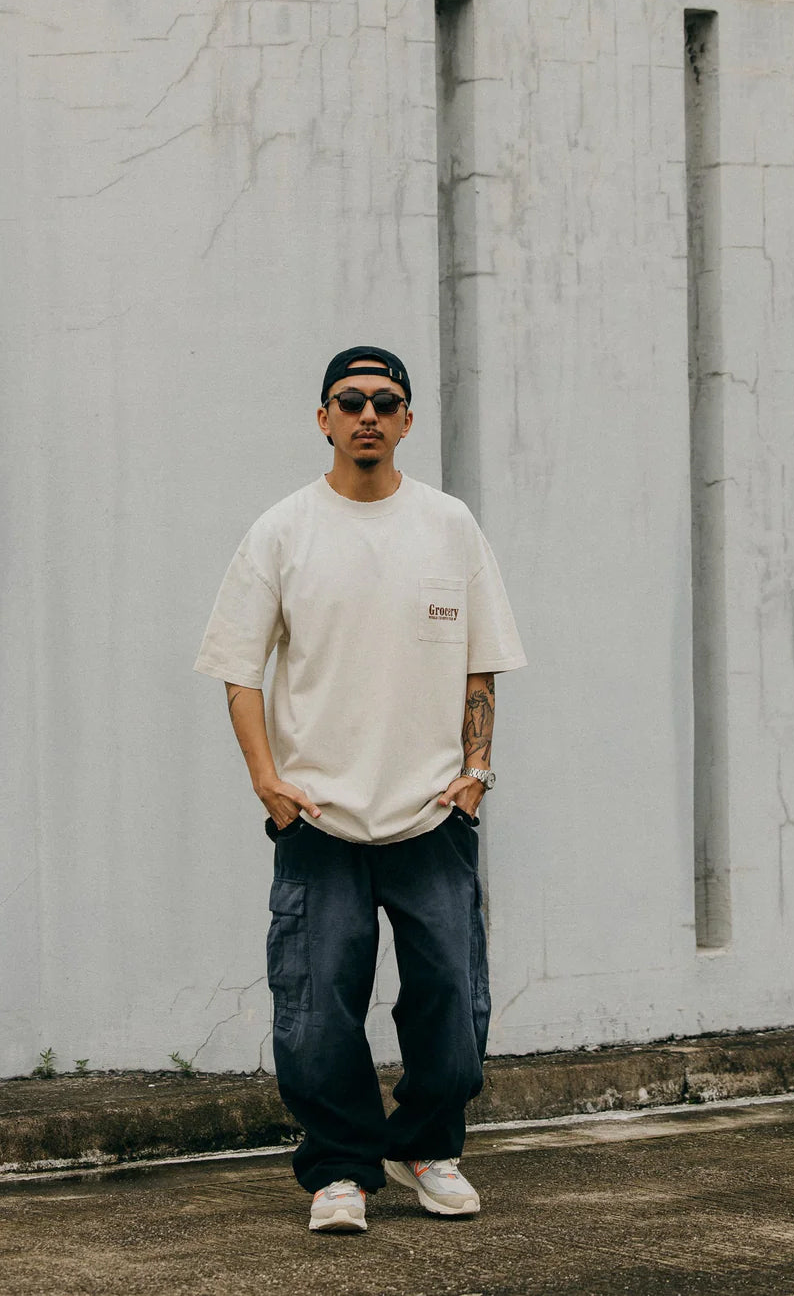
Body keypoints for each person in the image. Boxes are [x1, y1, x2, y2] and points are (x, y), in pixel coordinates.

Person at [194, 345, 526, 1233]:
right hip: (320, 816)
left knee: (452, 996)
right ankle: (339, 1170)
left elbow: (482, 666)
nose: (368, 414)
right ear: (324, 418)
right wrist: (268, 781)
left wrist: (475, 776)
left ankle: (427, 1147)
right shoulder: (283, 530)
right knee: (315, 1005)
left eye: (387, 400)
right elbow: (237, 669)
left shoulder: (449, 525)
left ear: (409, 419)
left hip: (431, 814)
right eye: (351, 400)